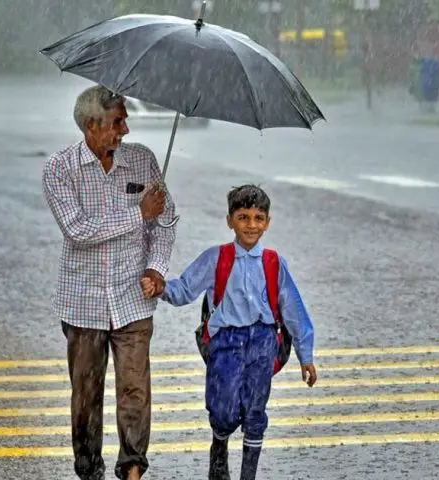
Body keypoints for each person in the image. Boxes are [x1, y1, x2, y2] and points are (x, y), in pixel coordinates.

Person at [41, 84, 177, 480]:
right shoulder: (59, 168)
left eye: (125, 121)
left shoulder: (144, 161)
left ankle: (133, 469)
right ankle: (89, 471)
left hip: (133, 299)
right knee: (86, 398)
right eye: (118, 122)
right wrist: (139, 213)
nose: (126, 131)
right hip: (82, 303)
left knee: (135, 393)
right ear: (91, 125)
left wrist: (157, 268)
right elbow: (78, 230)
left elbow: (166, 222)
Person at [141, 184, 317, 480]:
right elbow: (185, 289)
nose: (251, 225)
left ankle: (248, 474)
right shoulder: (216, 258)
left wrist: (306, 354)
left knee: (255, 411)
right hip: (225, 343)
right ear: (230, 220)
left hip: (263, 343)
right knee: (222, 410)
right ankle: (219, 441)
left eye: (258, 218)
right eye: (243, 217)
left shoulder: (274, 263)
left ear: (268, 222)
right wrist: (160, 287)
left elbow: (293, 310)